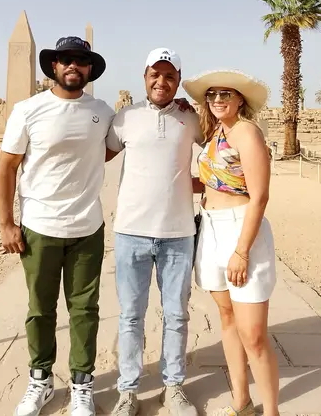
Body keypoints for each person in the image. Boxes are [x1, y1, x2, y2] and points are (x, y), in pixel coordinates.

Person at [0, 36, 114, 416]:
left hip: (86, 228)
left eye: (81, 60)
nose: (73, 66)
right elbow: (7, 167)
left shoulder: (102, 112)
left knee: (85, 310)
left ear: (90, 68)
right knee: (40, 310)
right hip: (39, 227)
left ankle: (82, 383)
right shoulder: (28, 110)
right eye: (66, 59)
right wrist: (7, 223)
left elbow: (112, 147)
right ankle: (41, 380)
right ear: (53, 66)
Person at [106, 48, 203, 416]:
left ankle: (173, 387)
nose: (162, 81)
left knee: (176, 315)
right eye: (155, 75)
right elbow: (94, 156)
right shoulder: (125, 118)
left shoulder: (190, 119)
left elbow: (222, 146)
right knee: (131, 316)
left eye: (169, 76)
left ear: (178, 80)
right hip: (131, 232)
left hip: (178, 234)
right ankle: (128, 390)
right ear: (144, 76)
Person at [183, 71, 279, 416]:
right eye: (212, 95)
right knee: (227, 318)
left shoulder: (247, 132)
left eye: (226, 94)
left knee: (253, 334)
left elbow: (260, 196)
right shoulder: (215, 133)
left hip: (241, 231)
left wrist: (242, 251)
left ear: (240, 99)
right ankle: (242, 401)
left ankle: (272, 411)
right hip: (210, 228)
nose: (218, 100)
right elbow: (215, 182)